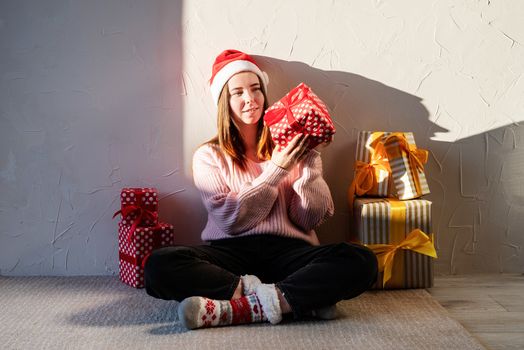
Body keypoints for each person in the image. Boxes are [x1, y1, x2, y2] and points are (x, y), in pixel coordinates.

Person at [144, 49, 378, 330]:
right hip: (231, 255)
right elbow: (231, 220)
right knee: (159, 265)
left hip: (290, 252)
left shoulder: (291, 146)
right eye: (238, 93)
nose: (249, 99)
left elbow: (310, 219)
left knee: (361, 260)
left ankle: (239, 308)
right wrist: (276, 169)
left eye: (256, 89)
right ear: (224, 102)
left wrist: (308, 161)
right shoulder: (208, 156)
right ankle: (293, 300)